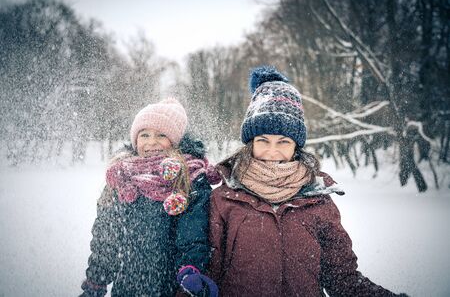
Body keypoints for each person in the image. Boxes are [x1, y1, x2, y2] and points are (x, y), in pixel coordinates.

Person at [208, 66, 408, 297]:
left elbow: (342, 280)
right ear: (250, 143)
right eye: (263, 140)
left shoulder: (317, 202)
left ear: (296, 146)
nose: (272, 152)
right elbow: (206, 277)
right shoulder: (224, 200)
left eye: (283, 142)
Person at [80, 98, 219, 297]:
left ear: (176, 141)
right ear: (135, 140)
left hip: (173, 288)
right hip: (128, 287)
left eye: (161, 135)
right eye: (144, 134)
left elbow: (194, 235)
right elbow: (106, 238)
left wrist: (190, 271)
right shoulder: (122, 179)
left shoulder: (190, 179)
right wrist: (96, 281)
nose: (151, 142)